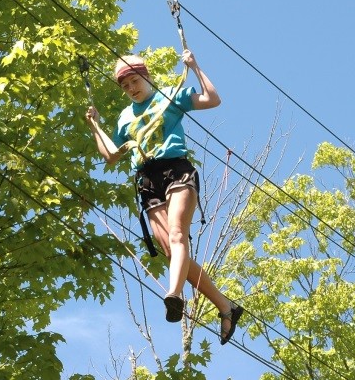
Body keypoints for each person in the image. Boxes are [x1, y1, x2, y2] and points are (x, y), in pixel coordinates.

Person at [84, 49, 244, 345]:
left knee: (177, 236)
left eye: (134, 81)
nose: (131, 89)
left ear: (146, 77)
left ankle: (174, 295)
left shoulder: (169, 96)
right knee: (172, 253)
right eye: (125, 86)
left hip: (176, 171)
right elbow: (110, 155)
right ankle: (226, 306)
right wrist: (95, 126)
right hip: (147, 181)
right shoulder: (124, 118)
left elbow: (212, 99)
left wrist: (195, 67)